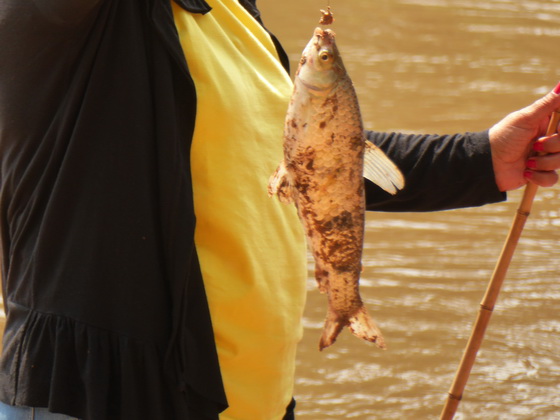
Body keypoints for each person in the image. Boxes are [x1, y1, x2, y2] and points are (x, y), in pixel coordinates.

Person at [0, 1, 559, 419]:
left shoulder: (230, 10)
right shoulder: (70, 21)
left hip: (250, 394)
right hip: (107, 394)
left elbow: (317, 154)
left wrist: (483, 159)